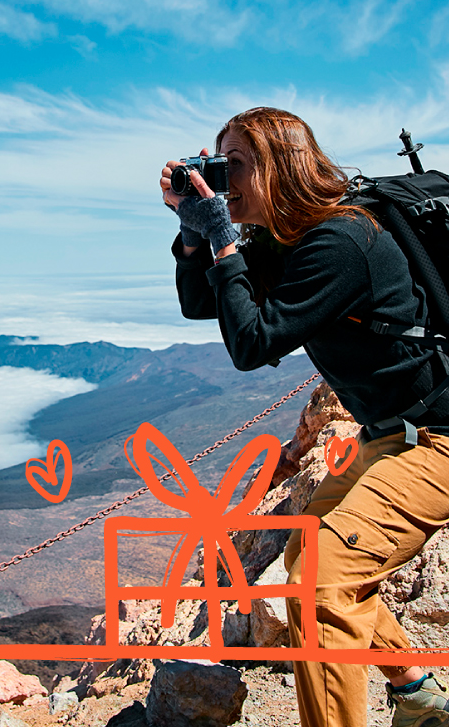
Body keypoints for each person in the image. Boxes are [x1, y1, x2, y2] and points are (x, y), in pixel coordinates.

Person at [160, 106, 449, 727]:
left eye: (233, 165)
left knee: (324, 578)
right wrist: (194, 230)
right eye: (216, 163)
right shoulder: (284, 241)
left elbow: (252, 344)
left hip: (439, 441)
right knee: (305, 555)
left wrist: (221, 238)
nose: (221, 178)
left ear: (279, 167)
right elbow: (198, 303)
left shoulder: (341, 239)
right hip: (389, 435)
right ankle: (420, 693)